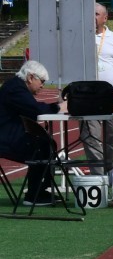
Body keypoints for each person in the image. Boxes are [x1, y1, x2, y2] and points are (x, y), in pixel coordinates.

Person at [0, 61, 67, 206]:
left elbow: (33, 109)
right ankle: (34, 194)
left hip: (8, 134)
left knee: (45, 144)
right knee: (42, 146)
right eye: (42, 81)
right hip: (4, 138)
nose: (43, 85)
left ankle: (39, 190)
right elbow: (36, 111)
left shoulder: (16, 86)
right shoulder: (15, 90)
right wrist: (59, 107)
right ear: (31, 77)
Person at [79, 3, 113, 179]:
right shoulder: (79, 38)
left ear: (105, 18)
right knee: (90, 135)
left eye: (96, 14)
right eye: (89, 14)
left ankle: (109, 168)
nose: (92, 17)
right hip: (86, 96)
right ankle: (98, 175)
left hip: (112, 95)